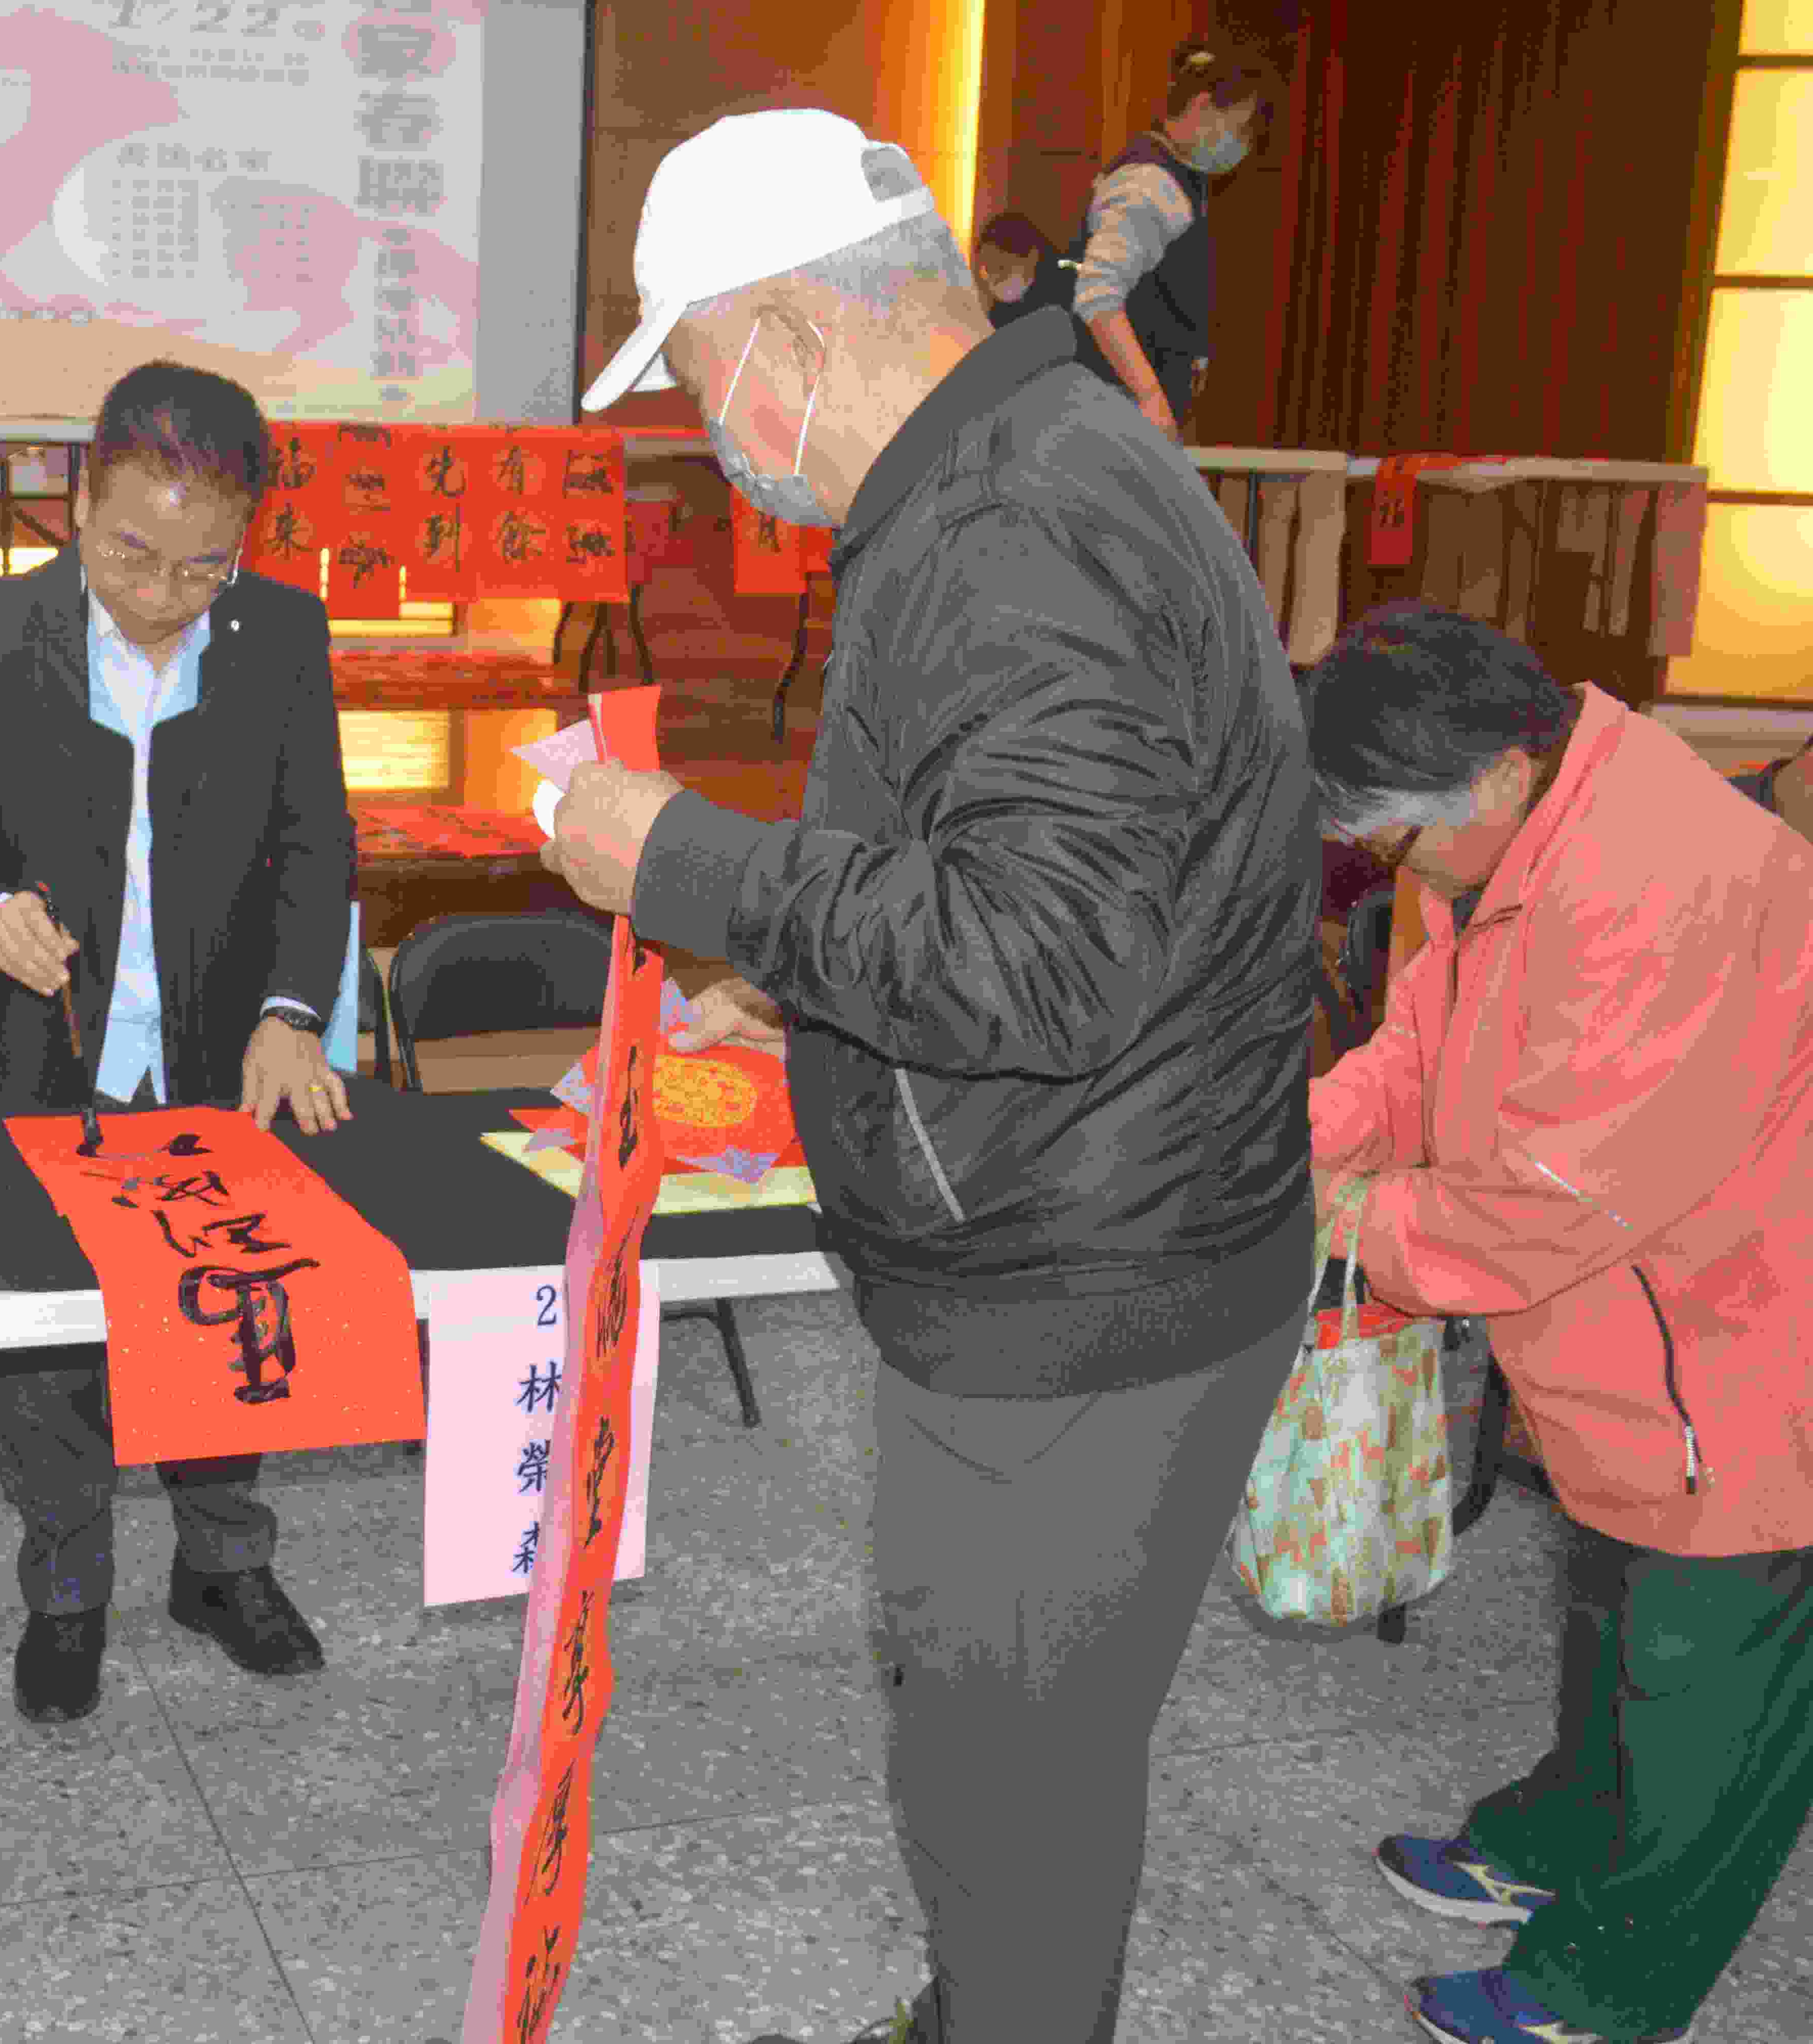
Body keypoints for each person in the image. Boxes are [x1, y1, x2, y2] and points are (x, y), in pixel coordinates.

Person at [555, 107, 1320, 2044]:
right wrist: (803, 989)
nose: (715, 438)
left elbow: (1042, 958)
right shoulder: (1024, 459)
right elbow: (1040, 873)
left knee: (1003, 1779)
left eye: (700, 382)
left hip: (1077, 1290)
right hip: (1106, 1222)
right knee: (1011, 1753)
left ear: (787, 335)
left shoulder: (1008, 524)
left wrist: (686, 863)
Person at [1303, 605, 1813, 2044]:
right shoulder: (1504, 831)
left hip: (1740, 1346)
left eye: (1395, 838)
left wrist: (1333, 1221)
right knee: (1610, 1616)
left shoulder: (1661, 886)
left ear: (1498, 774)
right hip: (1627, 1339)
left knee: (1707, 1674)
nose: (1391, 866)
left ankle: (1613, 1985)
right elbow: (1419, 1051)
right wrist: (1295, 1144)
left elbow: (1547, 1200)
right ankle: (1565, 1833)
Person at [0, 360, 358, 1727]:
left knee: (232, 1304)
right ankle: (67, 1591)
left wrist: (292, 1012)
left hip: (220, 1050)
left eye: (200, 567)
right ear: (80, 499)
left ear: (245, 539)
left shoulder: (281, 634)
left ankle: (223, 1567)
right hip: (42, 1052)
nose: (158, 597)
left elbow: (318, 844)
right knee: (51, 1347)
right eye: (132, 554)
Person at [1067, 38, 1273, 440]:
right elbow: (1097, 297)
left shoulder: (1180, 178)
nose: (1246, 144)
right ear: (1203, 107)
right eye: (1241, 128)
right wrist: (1149, 396)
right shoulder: (1151, 184)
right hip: (1113, 411)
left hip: (1121, 411)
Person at [967, 210, 1071, 328]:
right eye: (988, 271)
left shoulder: (1070, 295)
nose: (995, 280)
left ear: (1032, 256)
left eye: (1001, 268)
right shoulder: (999, 316)